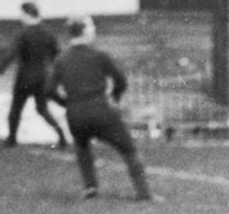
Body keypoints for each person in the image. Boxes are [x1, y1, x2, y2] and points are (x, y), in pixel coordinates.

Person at [46, 16, 151, 201]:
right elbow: (121, 81)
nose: (94, 30)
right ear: (85, 31)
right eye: (92, 27)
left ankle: (90, 188)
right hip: (100, 109)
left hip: (75, 114)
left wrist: (68, 103)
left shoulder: (61, 59)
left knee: (82, 145)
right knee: (128, 149)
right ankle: (143, 193)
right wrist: (115, 98)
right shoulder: (99, 56)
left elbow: (49, 90)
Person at [0, 2, 67, 149]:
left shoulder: (22, 34)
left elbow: (10, 54)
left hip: (24, 78)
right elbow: (58, 56)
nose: (20, 17)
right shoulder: (48, 33)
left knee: (16, 109)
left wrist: (1, 69)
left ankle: (12, 139)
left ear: (27, 14)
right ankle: (61, 135)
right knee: (42, 109)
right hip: (43, 77)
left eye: (22, 14)